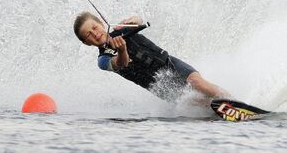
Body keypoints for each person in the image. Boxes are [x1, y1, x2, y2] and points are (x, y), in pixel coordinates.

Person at [73, 11, 229, 102]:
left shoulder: (122, 29)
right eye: (89, 34)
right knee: (196, 102)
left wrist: (133, 20)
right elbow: (121, 63)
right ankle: (226, 113)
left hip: (170, 64)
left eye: (94, 27)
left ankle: (236, 101)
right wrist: (122, 50)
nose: (95, 33)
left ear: (101, 23)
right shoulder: (103, 60)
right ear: (86, 43)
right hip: (159, 85)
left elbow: (139, 20)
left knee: (197, 83)